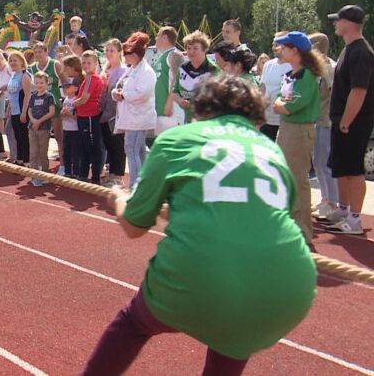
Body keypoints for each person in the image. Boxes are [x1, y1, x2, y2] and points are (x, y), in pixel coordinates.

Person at [82, 74, 316, 376]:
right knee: (235, 335)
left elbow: (134, 226)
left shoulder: (177, 140)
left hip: (197, 276)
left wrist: (118, 198)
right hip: (290, 289)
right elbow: (260, 218)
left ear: (201, 109)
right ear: (255, 117)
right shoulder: (271, 151)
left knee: (133, 324)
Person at [324, 5, 374, 235]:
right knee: (341, 168)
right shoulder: (349, 49)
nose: (335, 23)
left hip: (354, 122)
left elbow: (359, 90)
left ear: (350, 23)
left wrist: (346, 120)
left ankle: (354, 219)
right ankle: (344, 211)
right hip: (342, 121)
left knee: (353, 170)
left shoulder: (361, 52)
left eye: (339, 20)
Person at [273, 31, 324, 245]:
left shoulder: (306, 76)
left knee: (297, 179)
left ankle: (303, 230)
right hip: (287, 128)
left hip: (298, 130)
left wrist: (279, 104)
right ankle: (290, 224)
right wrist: (279, 104)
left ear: (295, 50)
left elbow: (289, 106)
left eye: (284, 47)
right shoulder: (292, 74)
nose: (280, 50)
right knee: (285, 177)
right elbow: (279, 101)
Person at [112, 33, 156, 188]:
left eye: (127, 53)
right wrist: (116, 93)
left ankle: (135, 185)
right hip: (131, 117)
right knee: (139, 151)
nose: (125, 56)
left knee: (131, 150)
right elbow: (119, 85)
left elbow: (142, 94)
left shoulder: (146, 71)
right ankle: (144, 182)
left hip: (138, 118)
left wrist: (122, 94)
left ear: (136, 54)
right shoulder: (132, 69)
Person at [308, 32, 339, 219]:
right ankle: (325, 197)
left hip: (327, 120)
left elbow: (332, 93)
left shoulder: (329, 68)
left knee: (326, 162)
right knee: (317, 162)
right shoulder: (316, 68)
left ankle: (333, 202)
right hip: (317, 119)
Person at [29, 42, 66, 172]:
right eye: (36, 52)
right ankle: (40, 164)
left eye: (40, 52)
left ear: (46, 52)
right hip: (39, 108)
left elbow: (65, 81)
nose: (38, 54)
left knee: (58, 135)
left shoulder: (54, 65)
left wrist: (64, 99)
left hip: (54, 104)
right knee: (40, 137)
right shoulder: (32, 68)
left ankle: (62, 164)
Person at [173, 31, 219, 123]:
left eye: (195, 48)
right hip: (186, 120)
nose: (191, 51)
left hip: (207, 121)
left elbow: (219, 98)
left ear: (204, 49)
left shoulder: (213, 69)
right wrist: (180, 100)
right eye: (188, 48)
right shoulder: (183, 68)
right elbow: (175, 92)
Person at [100, 39, 127, 187]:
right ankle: (111, 173)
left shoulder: (122, 70)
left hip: (116, 114)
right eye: (107, 50)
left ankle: (118, 176)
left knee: (117, 145)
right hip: (104, 113)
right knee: (109, 144)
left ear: (119, 52)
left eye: (112, 50)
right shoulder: (105, 71)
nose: (109, 53)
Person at [75, 50, 105, 184]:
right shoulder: (87, 79)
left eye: (89, 63)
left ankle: (95, 176)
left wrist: (70, 104)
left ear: (95, 64)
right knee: (83, 146)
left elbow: (84, 99)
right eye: (84, 63)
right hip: (83, 116)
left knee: (92, 146)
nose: (86, 65)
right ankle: (83, 173)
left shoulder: (92, 79)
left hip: (90, 116)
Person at [259, 32, 292, 141]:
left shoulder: (292, 66)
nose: (274, 48)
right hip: (266, 120)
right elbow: (263, 88)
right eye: (273, 44)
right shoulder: (268, 65)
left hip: (283, 121)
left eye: (277, 45)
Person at [27, 71, 57, 186]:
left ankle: (45, 174)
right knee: (33, 152)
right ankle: (34, 175)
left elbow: (52, 112)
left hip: (44, 128)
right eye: (37, 83)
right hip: (32, 127)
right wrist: (33, 120)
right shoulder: (33, 96)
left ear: (46, 83)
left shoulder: (49, 97)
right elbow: (29, 109)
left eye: (42, 83)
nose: (39, 85)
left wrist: (39, 121)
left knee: (42, 152)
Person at [152, 26, 181, 138]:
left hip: (171, 111)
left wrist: (169, 102)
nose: (155, 38)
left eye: (158, 35)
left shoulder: (174, 54)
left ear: (164, 37)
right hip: (160, 110)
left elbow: (178, 80)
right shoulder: (161, 57)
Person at [7, 51, 32, 166]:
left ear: (22, 61)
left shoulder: (24, 75)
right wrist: (9, 110)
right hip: (14, 110)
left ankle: (26, 161)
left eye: (15, 60)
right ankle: (19, 158)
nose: (12, 63)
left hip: (21, 110)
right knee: (17, 135)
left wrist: (23, 112)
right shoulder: (13, 75)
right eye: (11, 61)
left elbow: (27, 95)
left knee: (23, 136)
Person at [60, 77, 81, 178]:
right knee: (66, 152)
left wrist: (68, 114)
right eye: (64, 87)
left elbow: (77, 116)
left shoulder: (76, 100)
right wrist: (62, 113)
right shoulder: (65, 99)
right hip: (66, 129)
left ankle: (76, 172)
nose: (65, 89)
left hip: (75, 130)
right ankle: (67, 171)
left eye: (67, 87)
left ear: (76, 88)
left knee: (75, 153)